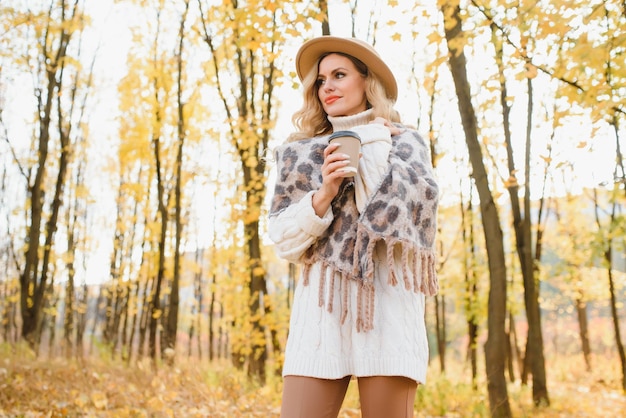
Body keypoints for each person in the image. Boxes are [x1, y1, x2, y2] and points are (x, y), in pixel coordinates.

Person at [268, 36, 439, 418]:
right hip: (320, 314)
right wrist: (323, 194)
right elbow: (283, 241)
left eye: (339, 75)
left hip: (388, 313)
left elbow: (396, 219)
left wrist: (373, 139)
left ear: (367, 81)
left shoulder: (405, 143)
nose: (326, 86)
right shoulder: (298, 153)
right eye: (321, 79)